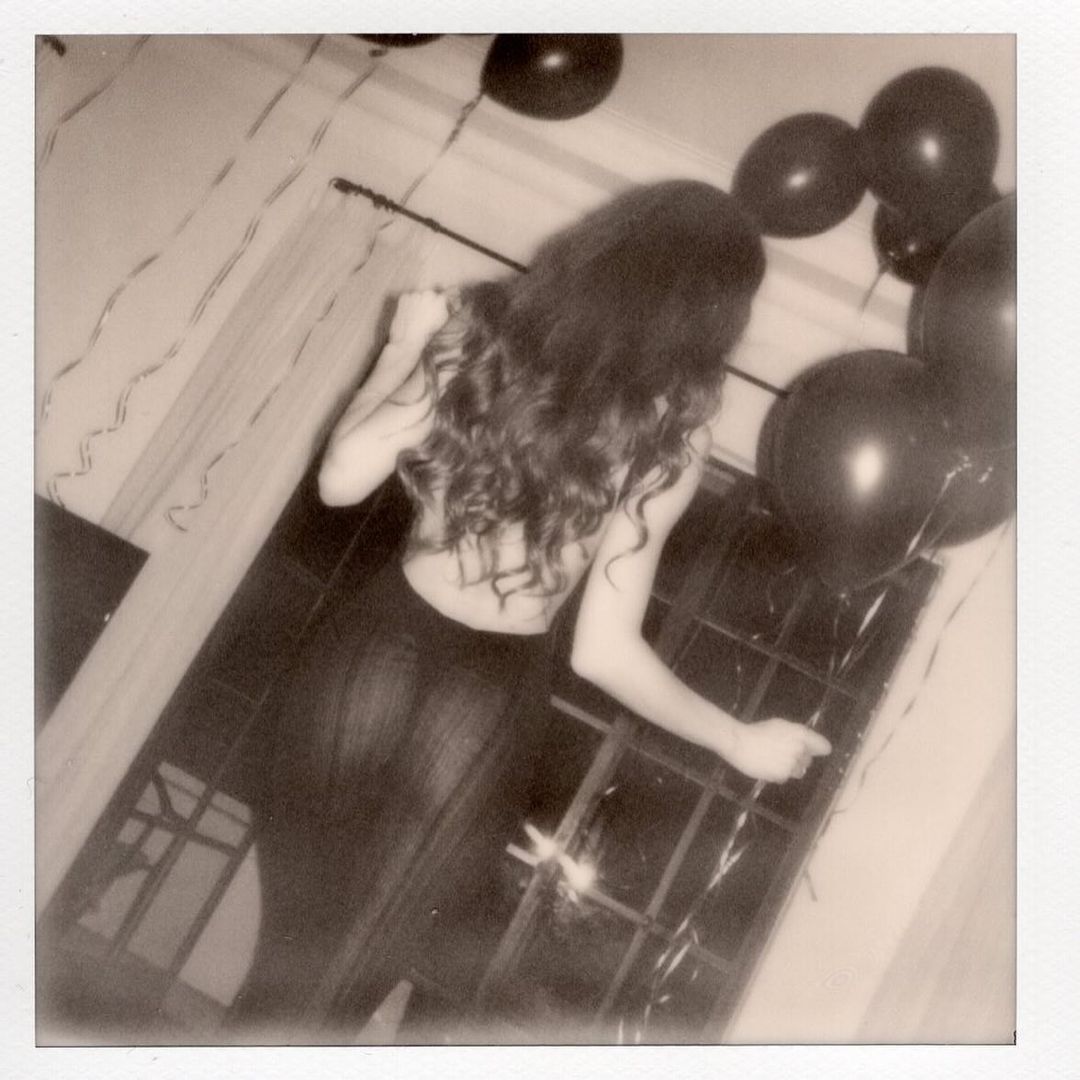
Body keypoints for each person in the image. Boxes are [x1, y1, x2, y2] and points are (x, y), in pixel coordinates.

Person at [230, 180, 831, 1039]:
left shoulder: (480, 327)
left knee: (287, 960)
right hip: (485, 696)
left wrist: (401, 349)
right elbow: (603, 651)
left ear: (607, 244)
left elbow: (341, 479)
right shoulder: (674, 429)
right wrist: (737, 739)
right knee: (334, 990)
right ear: (715, 316)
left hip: (374, 646)